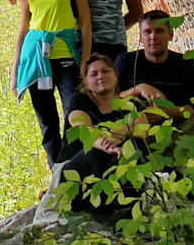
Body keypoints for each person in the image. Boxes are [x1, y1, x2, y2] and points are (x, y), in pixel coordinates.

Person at [6, 0, 91, 166]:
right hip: (36, 59)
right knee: (46, 120)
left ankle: (72, 166)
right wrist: (15, 72)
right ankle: (56, 170)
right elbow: (23, 31)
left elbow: (85, 22)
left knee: (74, 113)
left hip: (65, 56)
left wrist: (85, 61)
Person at [59, 53, 149, 219]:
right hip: (77, 172)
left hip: (115, 164)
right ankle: (108, 214)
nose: (100, 77)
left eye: (105, 71)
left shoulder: (128, 104)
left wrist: (118, 135)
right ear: (86, 82)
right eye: (94, 74)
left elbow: (142, 128)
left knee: (136, 148)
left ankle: (131, 211)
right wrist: (107, 145)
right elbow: (84, 129)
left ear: (115, 75)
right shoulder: (79, 101)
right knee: (97, 153)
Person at [115, 10, 194, 125]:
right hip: (134, 126)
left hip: (179, 127)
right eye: (147, 32)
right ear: (140, 38)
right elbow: (112, 99)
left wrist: (167, 113)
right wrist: (139, 89)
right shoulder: (126, 61)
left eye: (159, 31)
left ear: (171, 35)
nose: (153, 37)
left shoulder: (186, 63)